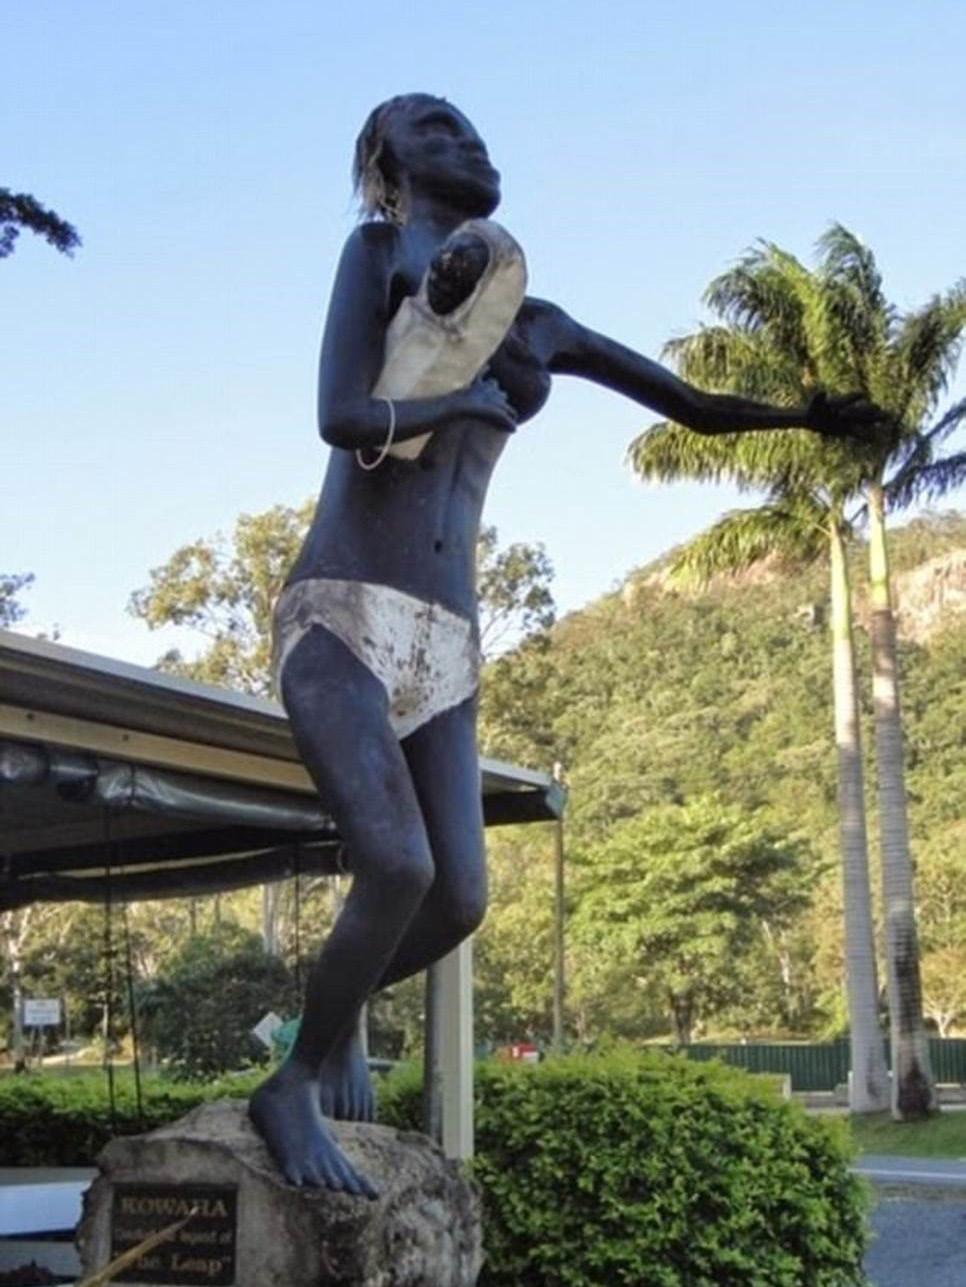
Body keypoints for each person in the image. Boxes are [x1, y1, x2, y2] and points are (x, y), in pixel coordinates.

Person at [249, 92, 886, 1197]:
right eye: (437, 129)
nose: (469, 140)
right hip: (344, 608)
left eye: (473, 127)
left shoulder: (538, 322)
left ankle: (334, 1014)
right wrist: (457, 403)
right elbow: (340, 417)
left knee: (457, 900)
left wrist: (803, 417)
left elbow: (689, 405)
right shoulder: (380, 257)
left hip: (448, 634)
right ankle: (292, 1081)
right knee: (397, 864)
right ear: (389, 165)